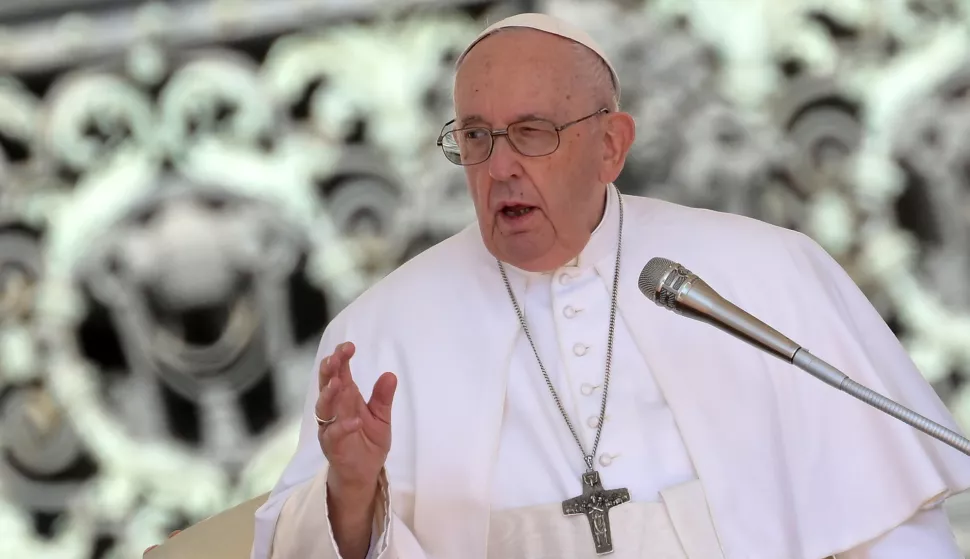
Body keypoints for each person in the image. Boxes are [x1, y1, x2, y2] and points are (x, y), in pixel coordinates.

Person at [246, 12, 970, 559]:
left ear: (611, 145)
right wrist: (350, 485)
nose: (499, 167)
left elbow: (891, 526)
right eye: (475, 137)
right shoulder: (383, 329)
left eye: (531, 132)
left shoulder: (764, 273)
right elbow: (299, 542)